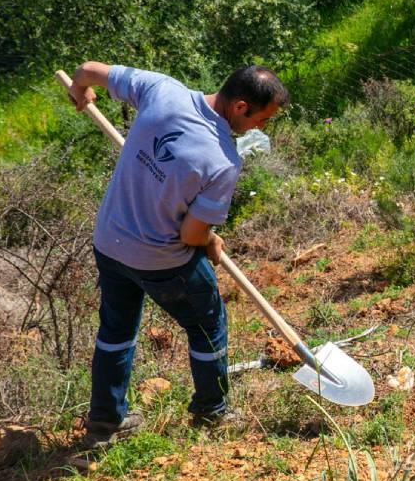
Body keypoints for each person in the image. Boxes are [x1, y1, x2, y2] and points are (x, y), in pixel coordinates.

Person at [66, 61, 288, 449]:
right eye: (261, 120)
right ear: (239, 107)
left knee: (116, 332)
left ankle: (103, 423)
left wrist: (80, 90)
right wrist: (209, 240)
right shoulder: (223, 160)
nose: (260, 128)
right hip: (161, 260)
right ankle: (212, 410)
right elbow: (190, 233)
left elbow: (87, 70)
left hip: (110, 242)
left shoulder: (161, 89)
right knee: (207, 324)